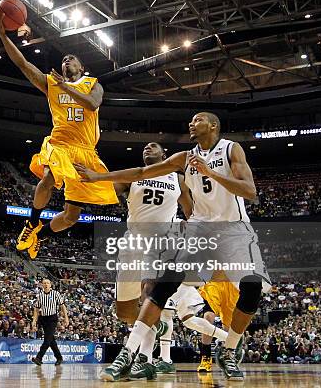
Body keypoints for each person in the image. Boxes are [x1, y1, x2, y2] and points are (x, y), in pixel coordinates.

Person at [76, 112, 271, 381]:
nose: (192, 123)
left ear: (213, 125)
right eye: (190, 120)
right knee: (164, 284)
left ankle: (229, 349)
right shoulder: (183, 158)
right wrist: (98, 177)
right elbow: (142, 172)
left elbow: (249, 191)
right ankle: (128, 353)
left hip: (234, 228)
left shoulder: (230, 149)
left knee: (252, 288)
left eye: (198, 119)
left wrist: (209, 172)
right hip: (200, 227)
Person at [100, 142, 233, 381]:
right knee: (125, 312)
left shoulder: (177, 179)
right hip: (133, 243)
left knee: (150, 294)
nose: (148, 147)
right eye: (145, 148)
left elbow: (191, 211)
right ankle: (154, 327)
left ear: (165, 155)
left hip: (163, 243)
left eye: (154, 146)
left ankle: (143, 359)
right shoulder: (133, 176)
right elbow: (107, 192)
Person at [0, 9, 117, 259]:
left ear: (83, 67)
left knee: (71, 217)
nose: (66, 61)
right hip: (60, 143)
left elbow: (92, 104)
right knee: (48, 178)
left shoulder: (93, 84)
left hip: (85, 151)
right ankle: (32, 223)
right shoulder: (51, 83)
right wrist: (3, 35)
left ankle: (40, 235)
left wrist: (66, 88)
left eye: (71, 59)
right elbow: (22, 64)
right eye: (64, 60)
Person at [31, 279, 69, 366]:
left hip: (52, 318)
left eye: (47, 283)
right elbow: (36, 309)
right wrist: (34, 320)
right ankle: (59, 357)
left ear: (50, 284)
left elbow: (62, 306)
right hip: (43, 318)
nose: (46, 284)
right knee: (51, 340)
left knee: (47, 339)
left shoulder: (55, 293)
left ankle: (39, 358)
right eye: (44, 283)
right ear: (42, 285)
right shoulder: (40, 295)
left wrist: (66, 318)